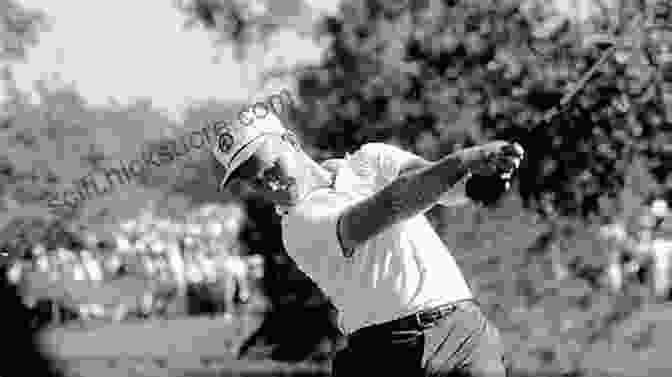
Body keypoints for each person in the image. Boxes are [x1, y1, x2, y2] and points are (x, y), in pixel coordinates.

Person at [211, 108, 524, 377]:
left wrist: (484, 177)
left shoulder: (371, 159)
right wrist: (464, 161)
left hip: (464, 333)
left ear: (289, 141)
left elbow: (446, 189)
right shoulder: (298, 227)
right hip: (390, 351)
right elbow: (390, 206)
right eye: (252, 178)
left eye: (266, 164)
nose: (267, 181)